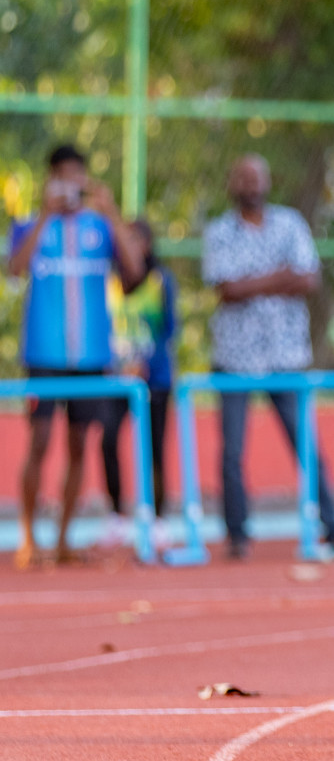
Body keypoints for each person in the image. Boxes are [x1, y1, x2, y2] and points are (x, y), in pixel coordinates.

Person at [201, 154, 334, 562]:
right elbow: (226, 289)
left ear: (267, 182)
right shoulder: (219, 232)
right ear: (232, 184)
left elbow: (307, 279)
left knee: (306, 446)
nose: (249, 184)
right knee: (231, 453)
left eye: (255, 177)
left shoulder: (290, 224)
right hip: (234, 358)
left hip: (285, 355)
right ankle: (237, 536)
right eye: (241, 177)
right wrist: (279, 277)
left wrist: (254, 282)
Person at [6, 144, 144, 569]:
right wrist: (45, 214)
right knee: (40, 440)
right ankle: (29, 538)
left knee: (80, 445)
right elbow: (14, 270)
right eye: (62, 175)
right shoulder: (30, 225)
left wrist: (113, 214)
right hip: (44, 353)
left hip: (91, 355)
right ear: (50, 179)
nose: (71, 184)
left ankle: (64, 539)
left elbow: (135, 272)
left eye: (77, 175)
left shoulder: (100, 228)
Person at [99, 220, 177, 551]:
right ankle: (117, 515)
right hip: (116, 380)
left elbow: (170, 331)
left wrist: (144, 364)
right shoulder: (108, 281)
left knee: (155, 447)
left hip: (153, 379)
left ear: (146, 244)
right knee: (107, 442)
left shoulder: (160, 281)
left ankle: (157, 518)